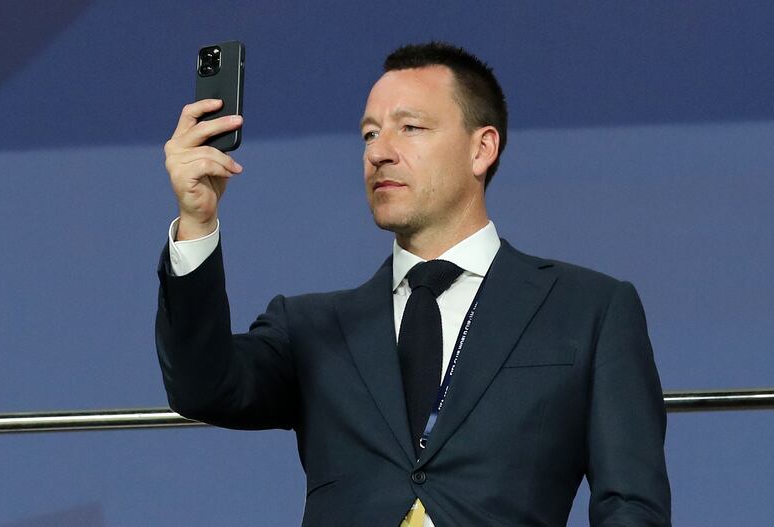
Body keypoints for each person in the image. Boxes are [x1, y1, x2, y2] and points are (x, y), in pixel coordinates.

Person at [156, 42, 671, 526]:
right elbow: (204, 387)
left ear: (481, 148)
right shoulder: (312, 328)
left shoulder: (589, 310)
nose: (380, 151)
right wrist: (197, 221)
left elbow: (630, 503)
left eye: (411, 128)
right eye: (369, 133)